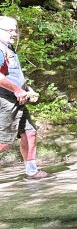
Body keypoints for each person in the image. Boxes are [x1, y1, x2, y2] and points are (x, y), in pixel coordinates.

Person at [0, 15, 49, 179]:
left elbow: (12, 74)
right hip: (5, 99)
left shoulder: (8, 48)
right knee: (4, 141)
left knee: (30, 133)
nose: (14, 33)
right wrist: (17, 90)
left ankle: (31, 170)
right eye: (9, 30)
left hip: (18, 97)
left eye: (15, 30)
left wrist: (27, 88)